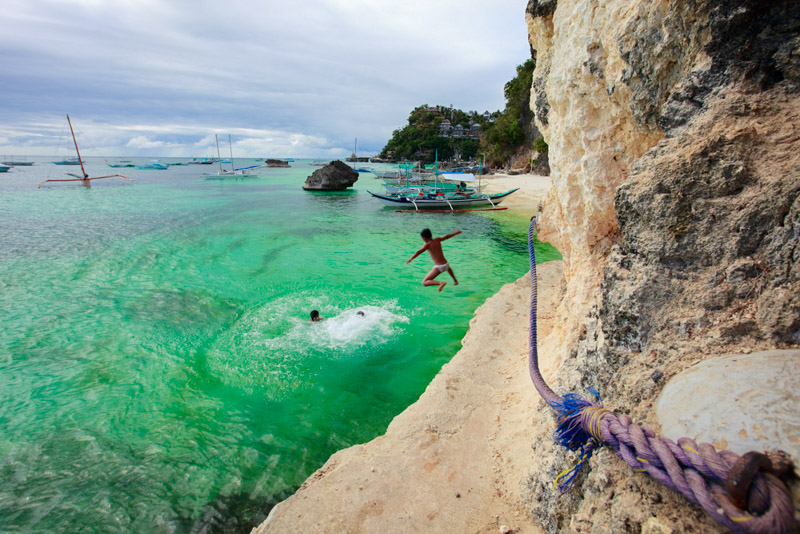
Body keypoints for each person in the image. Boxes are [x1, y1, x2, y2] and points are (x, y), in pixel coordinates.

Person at [406, 228, 461, 292]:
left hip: (439, 267)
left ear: (424, 238)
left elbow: (418, 252)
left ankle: (440, 283)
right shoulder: (437, 239)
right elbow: (446, 237)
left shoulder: (427, 245)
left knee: (424, 282)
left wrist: (410, 259)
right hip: (446, 264)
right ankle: (455, 280)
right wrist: (455, 233)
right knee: (448, 267)